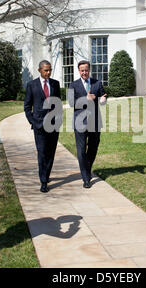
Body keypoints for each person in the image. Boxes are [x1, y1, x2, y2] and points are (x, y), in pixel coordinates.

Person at [67, 60, 107, 188]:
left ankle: (87, 168)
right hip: (80, 122)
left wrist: (103, 99)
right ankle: (86, 178)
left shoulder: (97, 83)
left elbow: (103, 96)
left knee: (93, 148)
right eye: (82, 70)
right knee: (81, 150)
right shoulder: (73, 85)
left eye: (86, 70)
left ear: (89, 70)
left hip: (95, 122)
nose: (84, 72)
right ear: (79, 71)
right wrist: (86, 99)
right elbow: (71, 103)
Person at [24, 60, 62, 193]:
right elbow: (27, 107)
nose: (48, 72)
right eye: (46, 70)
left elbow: (58, 104)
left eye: (50, 70)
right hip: (39, 125)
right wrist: (33, 122)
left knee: (51, 153)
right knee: (42, 153)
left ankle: (46, 175)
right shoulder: (31, 85)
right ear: (39, 70)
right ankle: (43, 181)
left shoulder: (55, 84)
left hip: (53, 125)